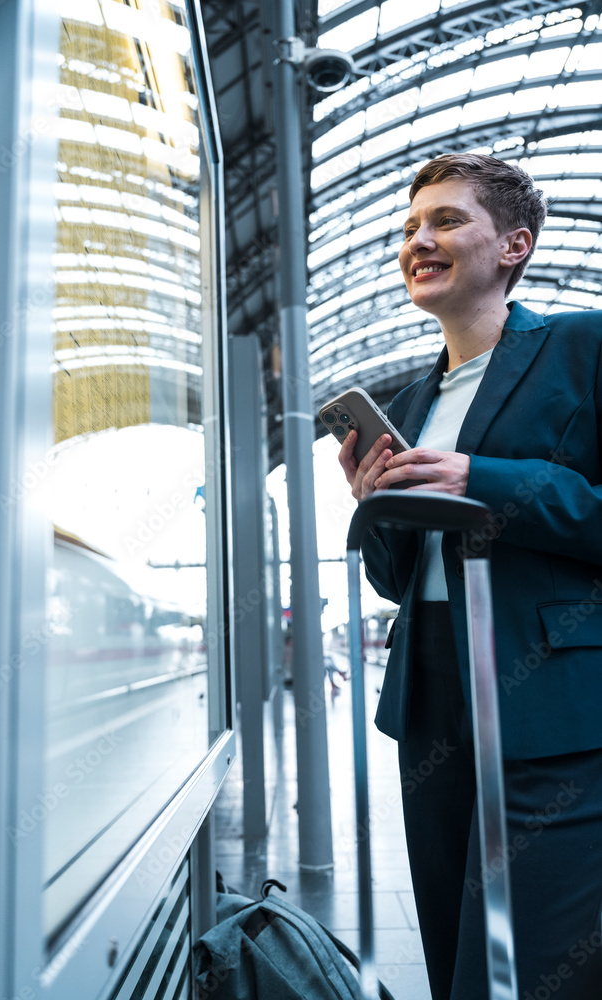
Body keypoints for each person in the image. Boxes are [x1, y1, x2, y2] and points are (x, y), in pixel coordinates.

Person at [338, 153, 602, 1000]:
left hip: (552, 697)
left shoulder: (579, 346)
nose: (419, 240)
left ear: (513, 245)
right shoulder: (412, 401)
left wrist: (476, 478)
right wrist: (372, 503)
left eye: (446, 221)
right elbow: (399, 579)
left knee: (538, 959)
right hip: (435, 698)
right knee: (458, 955)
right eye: (410, 228)